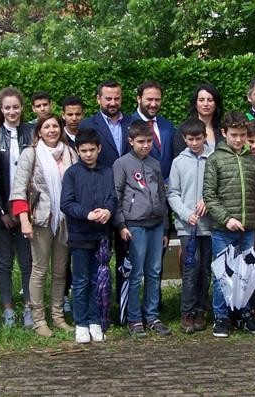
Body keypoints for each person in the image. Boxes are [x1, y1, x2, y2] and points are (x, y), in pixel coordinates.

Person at [11, 114, 78, 337]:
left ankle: (58, 317)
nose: (52, 130)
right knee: (39, 271)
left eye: (55, 126)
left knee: (60, 272)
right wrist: (23, 221)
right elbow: (19, 189)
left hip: (65, 220)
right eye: (46, 126)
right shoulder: (31, 153)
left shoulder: (70, 153)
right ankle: (39, 319)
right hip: (40, 220)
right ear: (39, 131)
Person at [203, 111, 255, 337]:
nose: (239, 140)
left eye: (242, 135)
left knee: (247, 274)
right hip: (223, 230)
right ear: (224, 133)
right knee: (224, 274)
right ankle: (221, 318)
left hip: (248, 229)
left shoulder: (251, 160)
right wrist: (226, 219)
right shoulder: (215, 159)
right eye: (234, 135)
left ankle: (244, 314)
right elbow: (209, 195)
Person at [113, 121, 170, 337]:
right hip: (134, 225)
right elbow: (116, 196)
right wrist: (120, 224)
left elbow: (162, 196)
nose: (145, 146)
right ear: (131, 141)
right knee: (135, 274)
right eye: (141, 142)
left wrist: (165, 227)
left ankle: (152, 315)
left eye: (148, 142)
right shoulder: (122, 164)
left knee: (154, 272)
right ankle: (134, 317)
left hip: (156, 225)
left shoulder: (155, 163)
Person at [78, 80, 132, 308]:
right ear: (98, 99)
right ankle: (99, 308)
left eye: (116, 98)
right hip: (99, 201)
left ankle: (123, 307)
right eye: (108, 98)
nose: (112, 102)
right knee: (98, 258)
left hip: (128, 201)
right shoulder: (88, 125)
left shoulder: (133, 123)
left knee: (125, 257)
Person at [0, 86, 35, 328]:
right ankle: (8, 310)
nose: (12, 111)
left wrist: (27, 210)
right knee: (4, 263)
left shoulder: (32, 133)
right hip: (0, 210)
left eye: (16, 107)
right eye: (7, 107)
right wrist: (2, 211)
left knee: (27, 262)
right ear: (1, 110)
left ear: (22, 108)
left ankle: (28, 307)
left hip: (26, 209)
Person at [60, 129, 116, 343]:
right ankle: (80, 322)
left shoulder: (107, 171)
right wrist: (87, 214)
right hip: (80, 234)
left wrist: (108, 211)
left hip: (101, 235)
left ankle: (95, 320)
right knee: (81, 280)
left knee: (97, 279)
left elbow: (112, 196)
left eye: (92, 150)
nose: (89, 154)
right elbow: (66, 203)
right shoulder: (72, 174)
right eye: (84, 151)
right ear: (78, 151)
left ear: (99, 149)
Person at [168, 118, 214, 334]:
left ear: (205, 137)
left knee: (205, 269)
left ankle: (201, 310)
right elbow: (173, 193)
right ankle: (186, 311)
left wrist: (208, 200)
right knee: (190, 268)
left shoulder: (214, 157)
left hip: (209, 225)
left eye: (198, 138)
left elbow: (218, 185)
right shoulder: (178, 162)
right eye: (190, 139)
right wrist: (186, 214)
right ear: (184, 139)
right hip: (188, 227)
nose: (194, 143)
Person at [133, 80, 176, 181]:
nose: (153, 104)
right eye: (149, 99)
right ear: (139, 99)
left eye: (157, 100)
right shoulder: (129, 125)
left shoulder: (167, 126)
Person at [175, 84, 224, 155]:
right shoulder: (184, 129)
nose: (206, 104)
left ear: (216, 104)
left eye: (210, 100)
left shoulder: (223, 129)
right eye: (201, 100)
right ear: (195, 104)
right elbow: (179, 158)